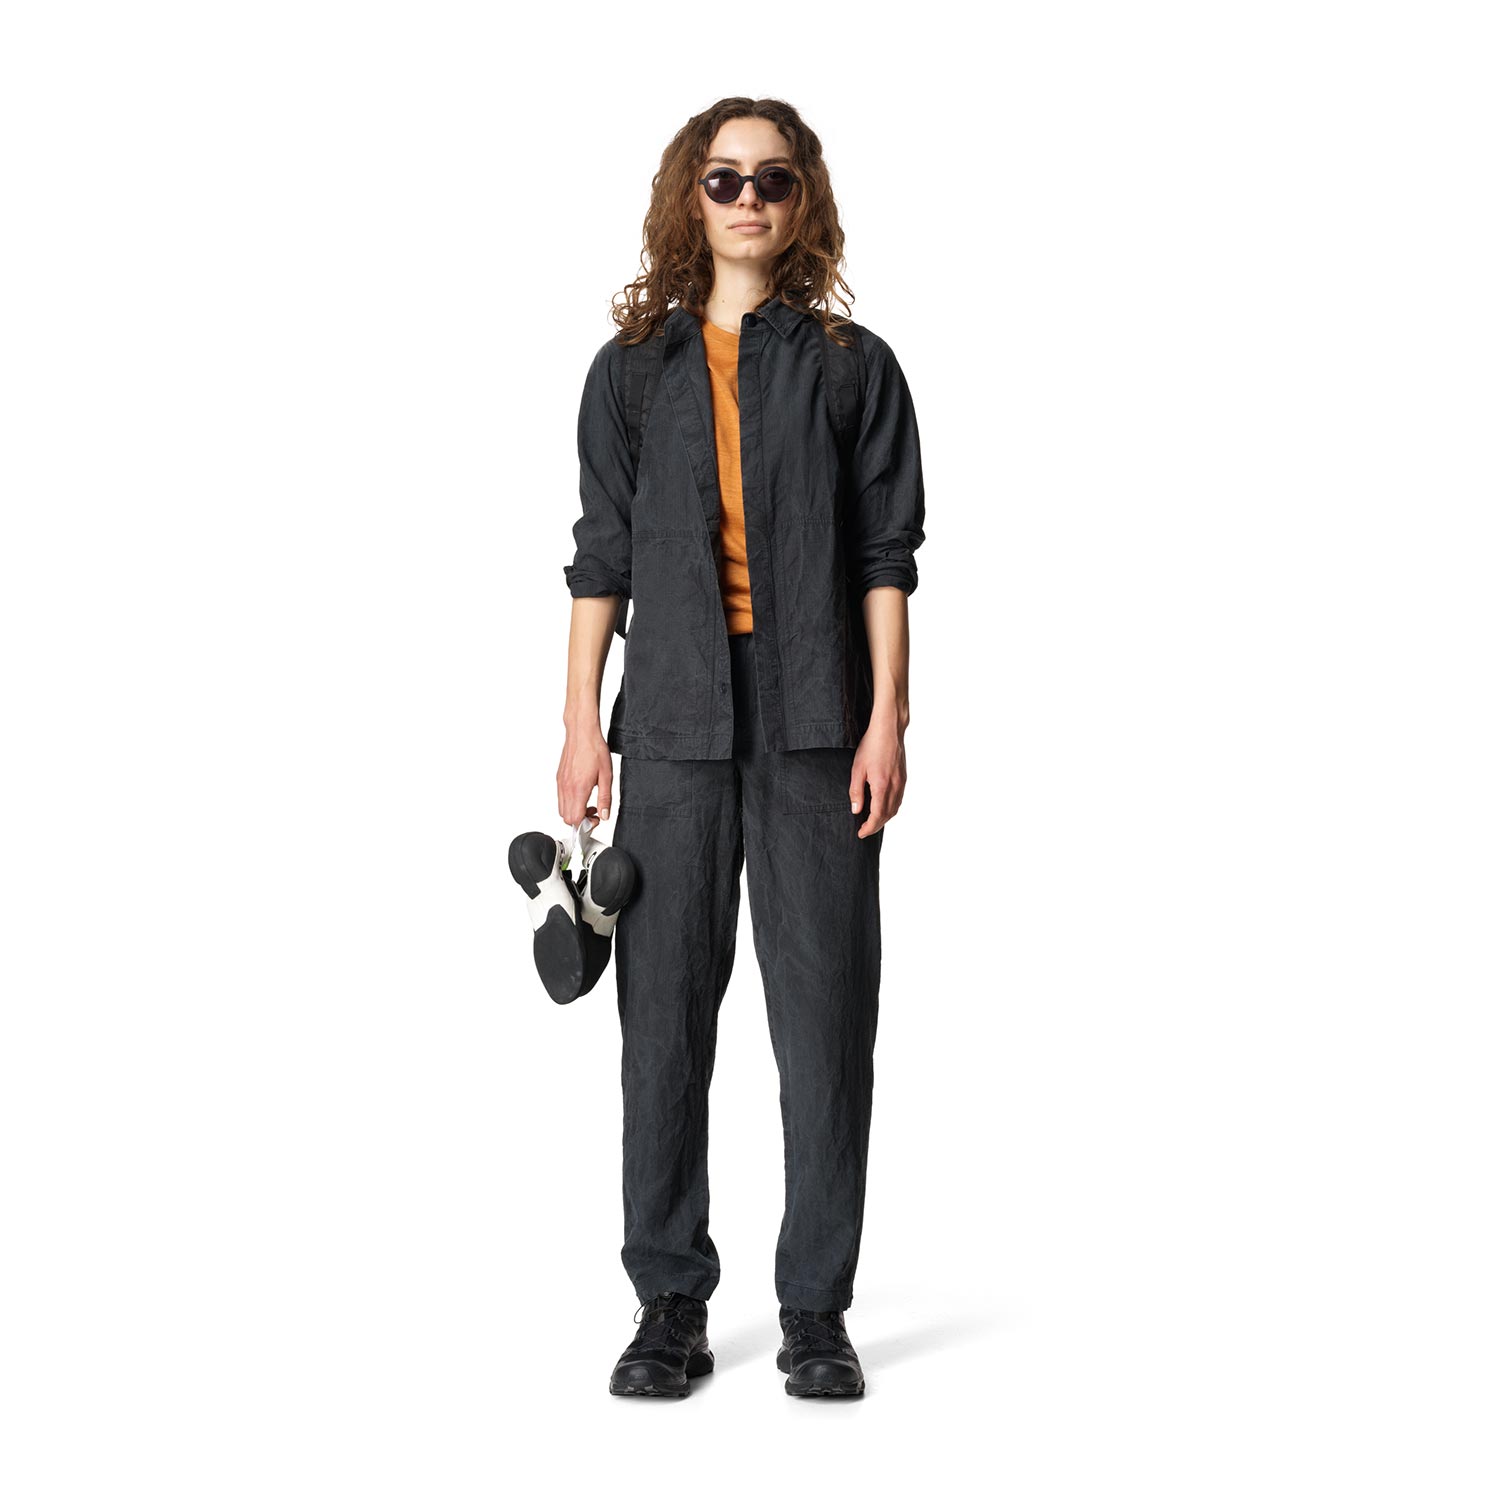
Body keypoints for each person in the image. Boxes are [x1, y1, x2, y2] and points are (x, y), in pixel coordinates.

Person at [557, 97, 926, 1399]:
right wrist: (579, 728)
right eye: (724, 179)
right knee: (660, 1024)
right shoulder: (632, 372)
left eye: (772, 178)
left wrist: (888, 715)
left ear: (802, 196)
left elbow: (886, 555)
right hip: (669, 720)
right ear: (691, 196)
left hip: (819, 716)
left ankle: (815, 1312)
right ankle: (670, 1303)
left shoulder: (852, 367)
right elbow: (600, 557)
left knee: (826, 1023)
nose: (749, 199)